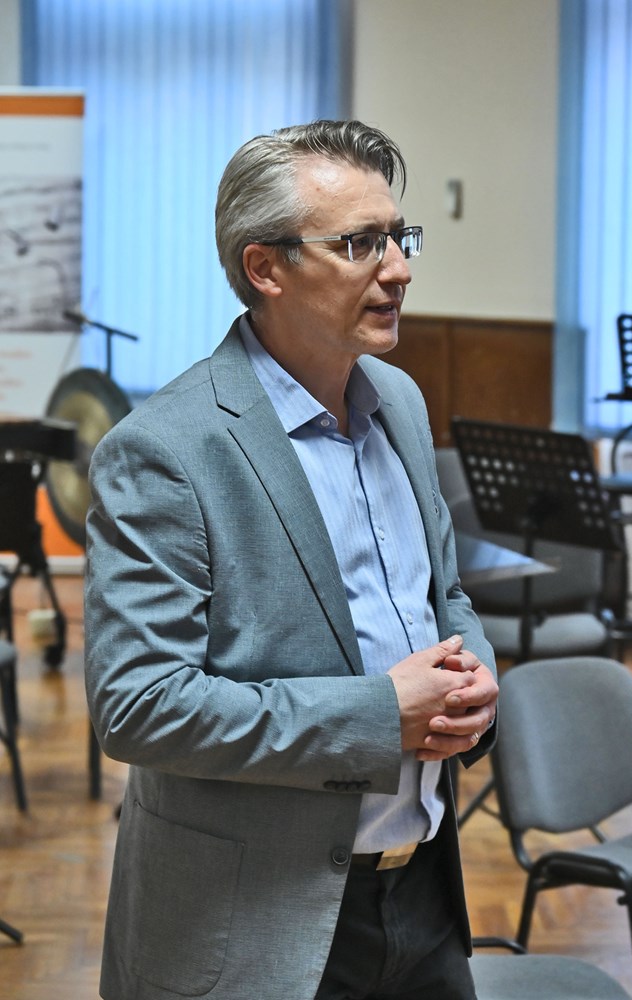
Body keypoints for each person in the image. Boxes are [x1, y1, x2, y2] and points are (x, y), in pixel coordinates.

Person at [85, 119, 498, 1000]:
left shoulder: (399, 400)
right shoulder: (166, 449)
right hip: (256, 922)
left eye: (400, 236)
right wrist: (380, 715)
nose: (399, 268)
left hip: (424, 898)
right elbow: (138, 706)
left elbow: (446, 595)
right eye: (359, 243)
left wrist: (474, 678)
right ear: (264, 268)